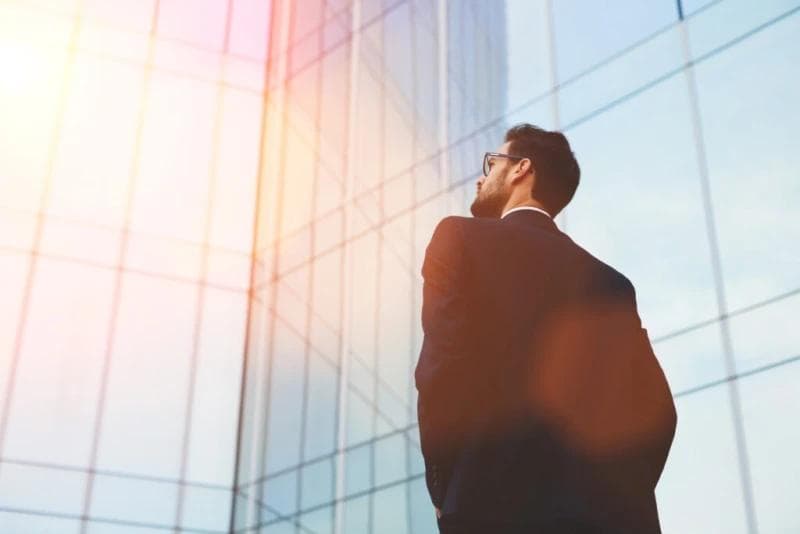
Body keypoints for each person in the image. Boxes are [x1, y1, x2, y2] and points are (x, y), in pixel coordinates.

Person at [414, 124, 677, 533]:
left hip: (493, 507)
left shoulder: (458, 239)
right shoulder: (614, 284)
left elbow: (441, 370)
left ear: (522, 169)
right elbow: (659, 413)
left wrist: (445, 489)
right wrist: (620, 494)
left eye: (492, 162)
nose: (482, 176)